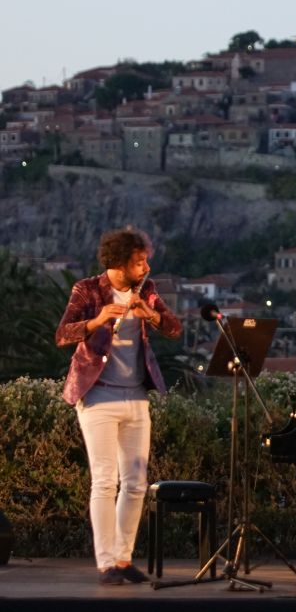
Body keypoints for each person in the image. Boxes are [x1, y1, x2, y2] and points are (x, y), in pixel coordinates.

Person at [55, 228, 182, 585]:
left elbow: (173, 329)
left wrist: (150, 315)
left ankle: (124, 559)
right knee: (104, 481)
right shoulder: (88, 290)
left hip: (136, 396)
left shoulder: (148, 290)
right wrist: (96, 321)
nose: (146, 266)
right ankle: (106, 562)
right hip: (97, 396)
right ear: (120, 262)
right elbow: (62, 333)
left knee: (136, 483)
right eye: (139, 261)